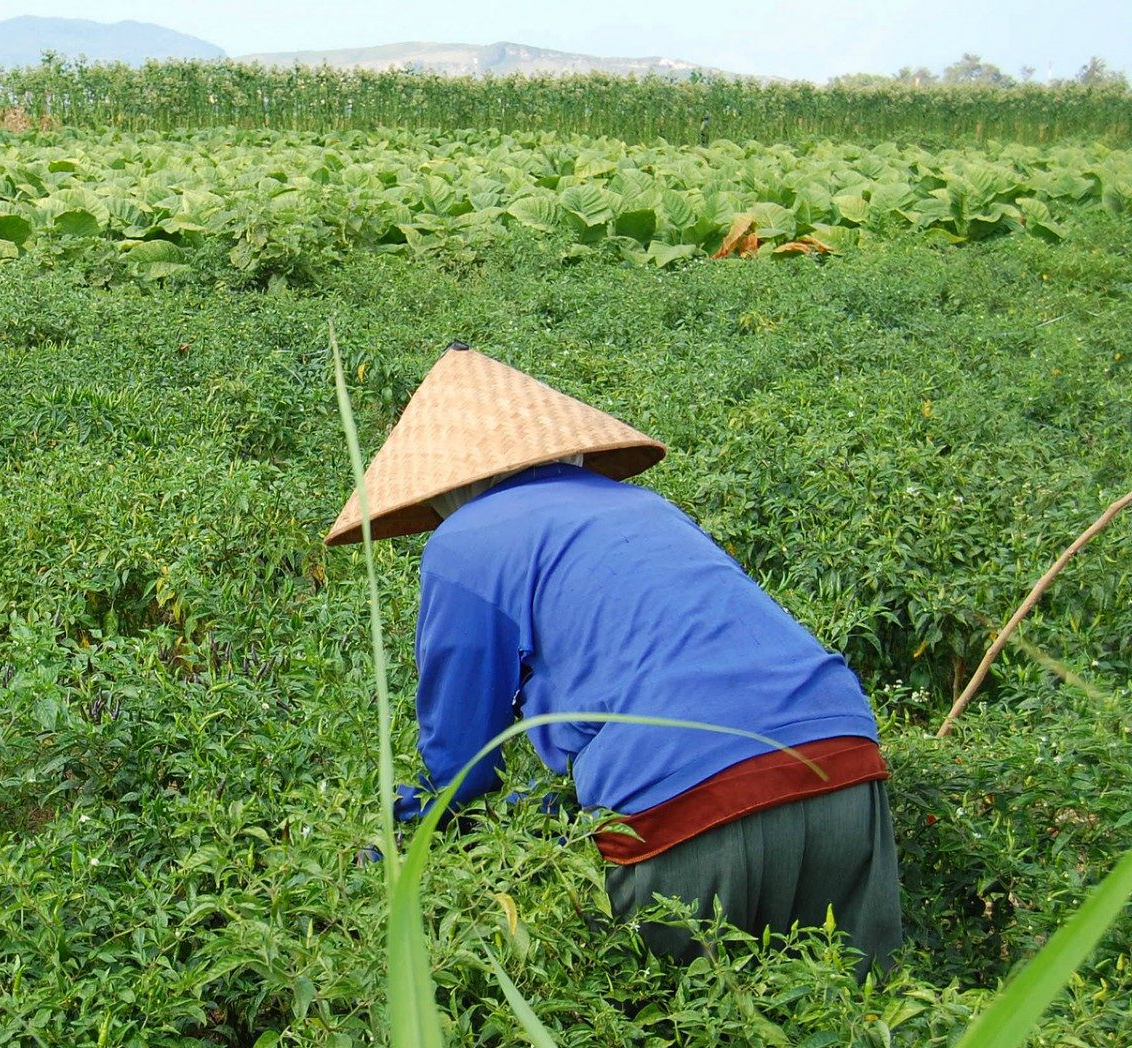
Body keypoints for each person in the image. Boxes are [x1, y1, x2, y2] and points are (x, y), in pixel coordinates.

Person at [325, 342, 901, 972]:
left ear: (444, 486)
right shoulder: (646, 507)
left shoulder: (463, 541)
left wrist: (434, 825)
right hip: (847, 761)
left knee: (673, 1014)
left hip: (688, 808)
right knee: (849, 1008)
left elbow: (463, 757)